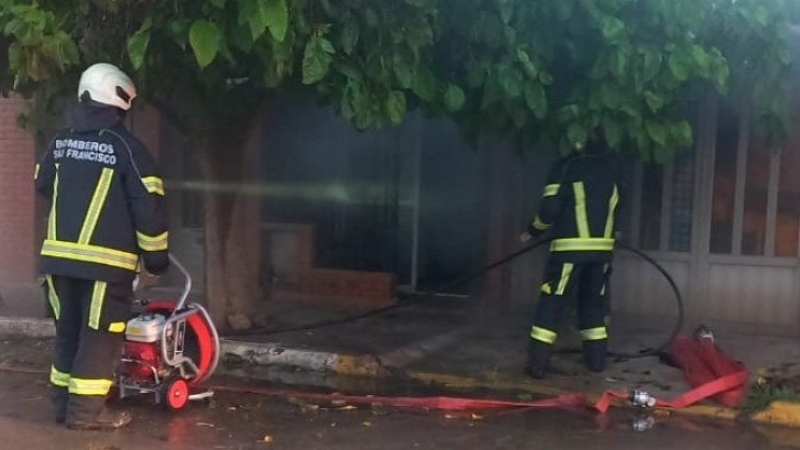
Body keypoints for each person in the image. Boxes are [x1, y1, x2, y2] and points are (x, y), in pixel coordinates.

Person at [34, 62, 169, 430]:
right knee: (99, 338)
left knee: (68, 334)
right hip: (106, 267)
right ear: (119, 100)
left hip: (58, 262)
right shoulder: (127, 148)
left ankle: (64, 408)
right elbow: (149, 208)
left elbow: (42, 184)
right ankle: (85, 415)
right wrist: (156, 260)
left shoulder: (60, 141)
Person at [520, 130, 623, 378]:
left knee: (552, 303)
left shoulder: (566, 166)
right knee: (593, 305)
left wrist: (532, 232)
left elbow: (549, 210)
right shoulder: (613, 169)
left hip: (569, 251)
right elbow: (619, 209)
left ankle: (537, 365)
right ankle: (596, 362)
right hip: (602, 253)